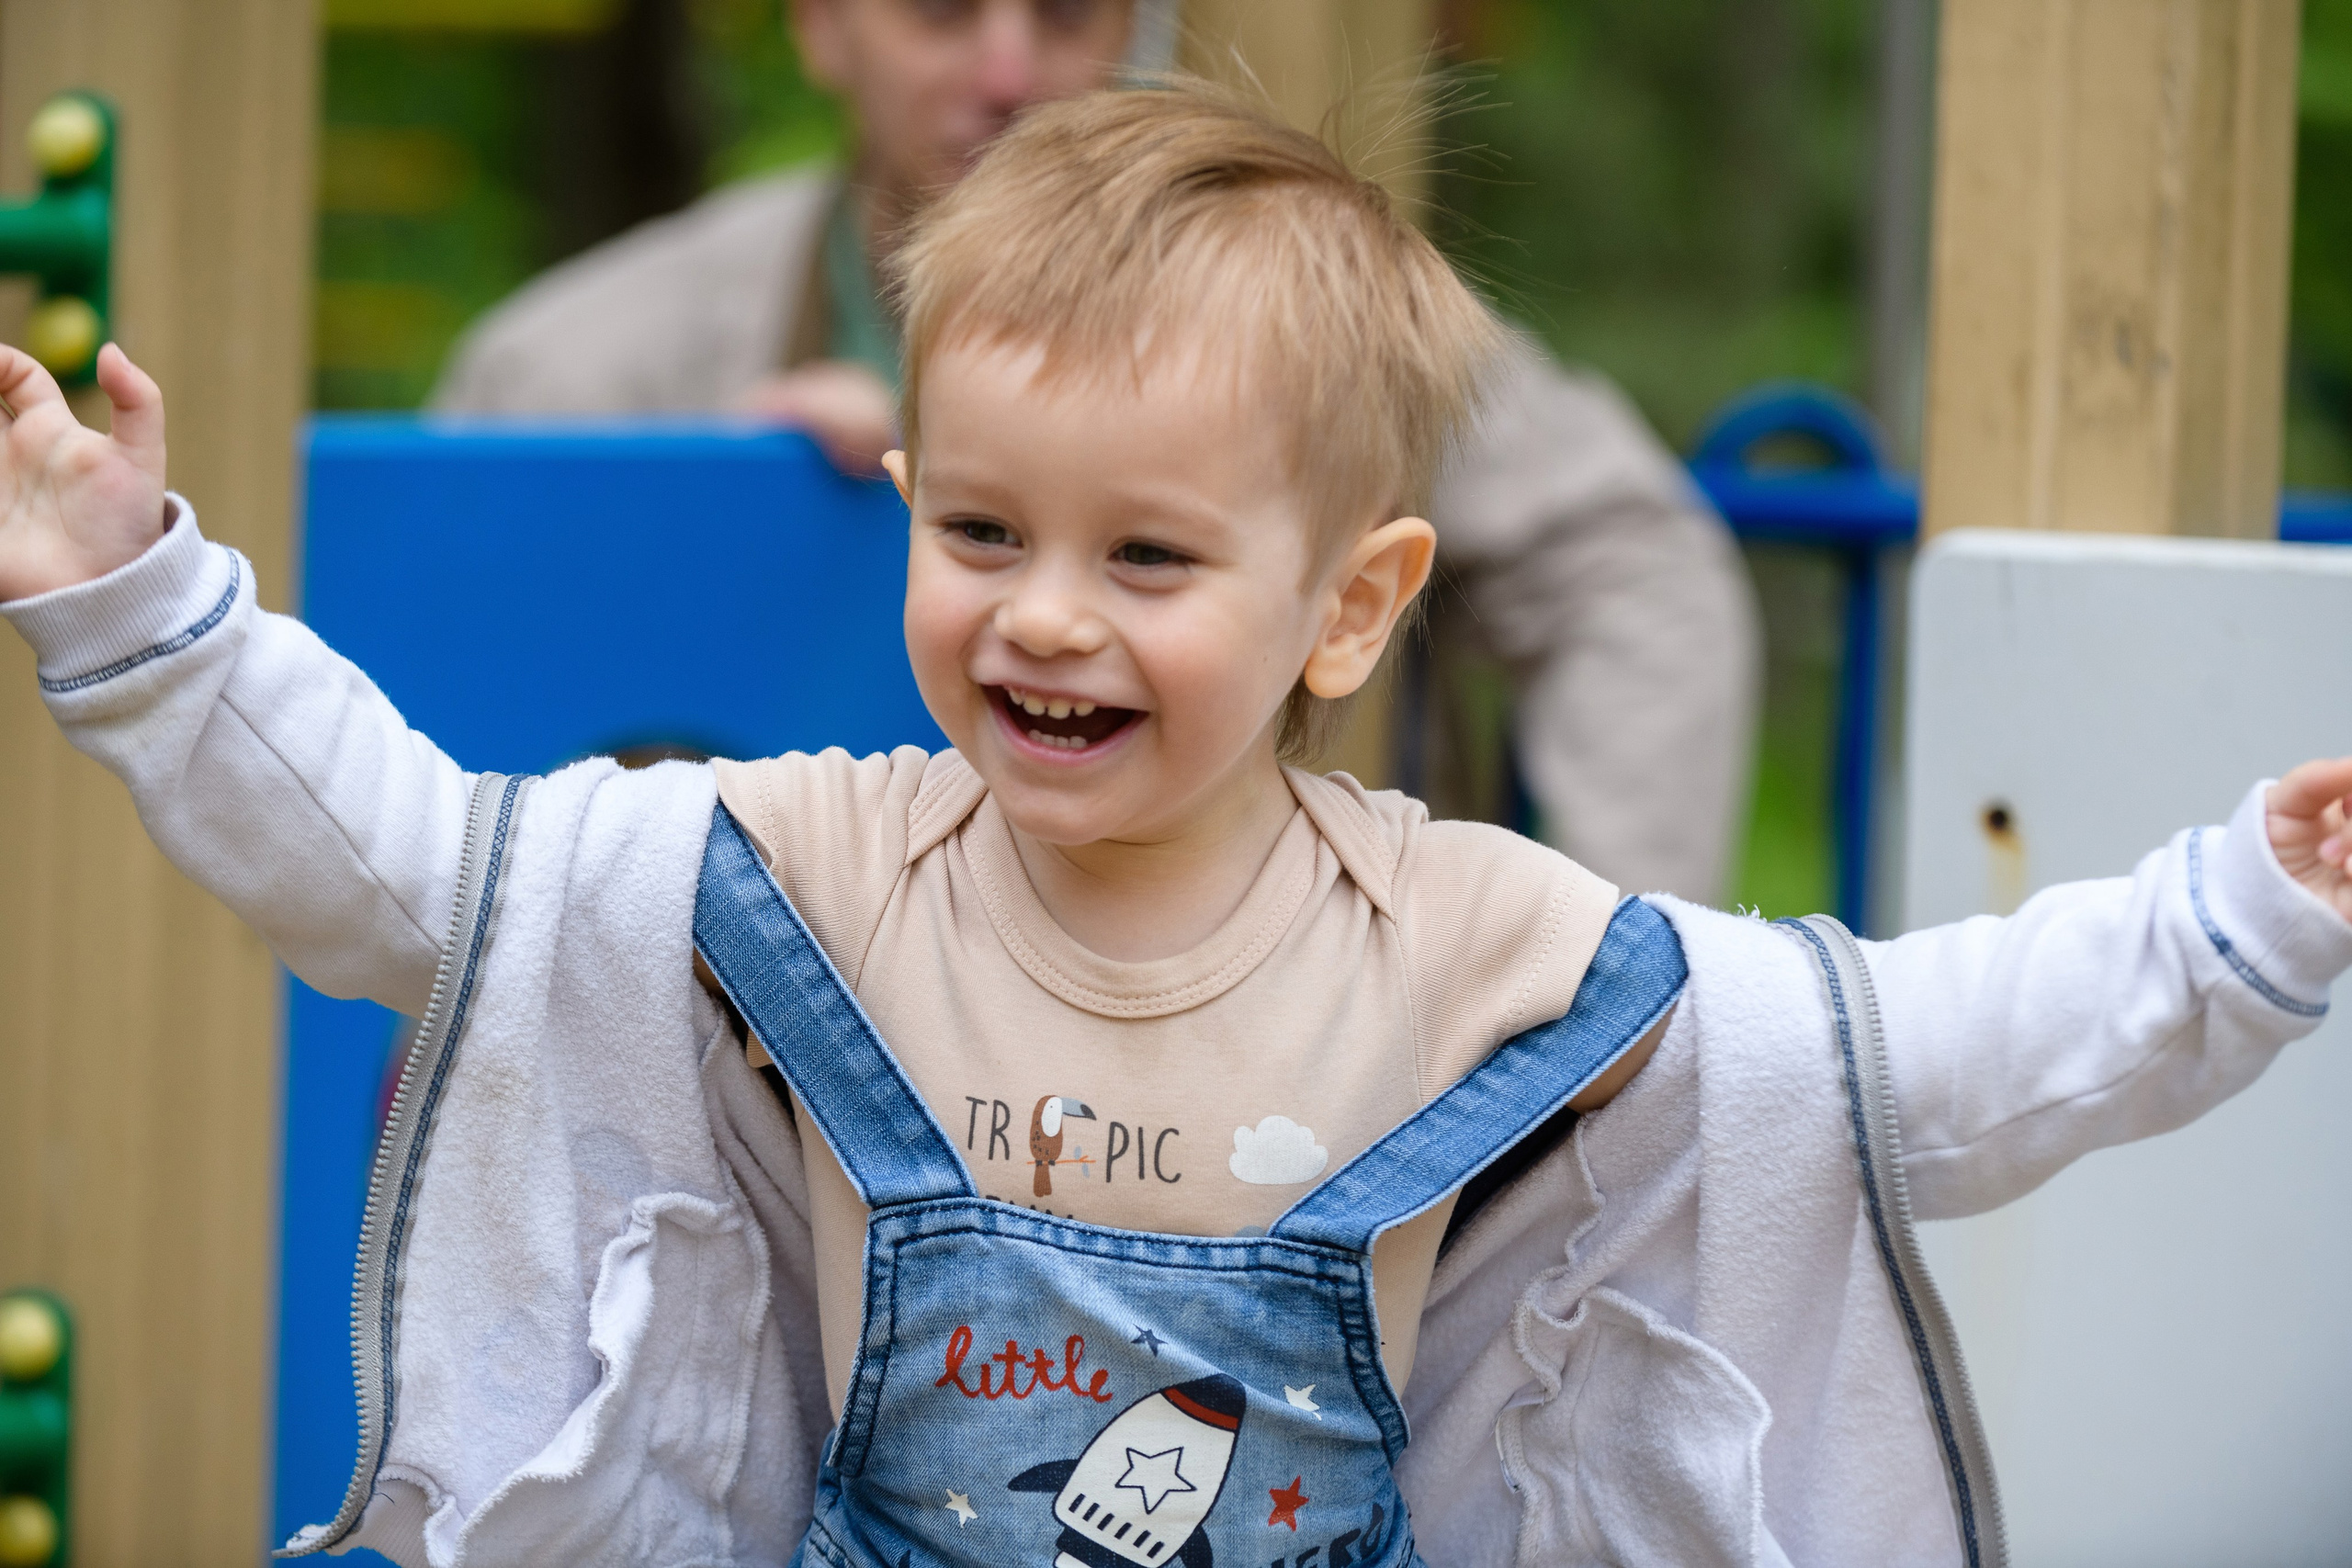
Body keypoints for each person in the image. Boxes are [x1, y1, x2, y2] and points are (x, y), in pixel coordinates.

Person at [5, 83, 2346, 1568]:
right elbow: (416, 873)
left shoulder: (1467, 944)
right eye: (986, 533)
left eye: (1146, 561)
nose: (1047, 620)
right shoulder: (808, 867)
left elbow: (1900, 1062)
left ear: (1350, 604)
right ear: (910, 506)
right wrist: (149, 599)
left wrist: (2242, 907)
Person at [431, 0, 1758, 904]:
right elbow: (466, 772)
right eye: (944, 9)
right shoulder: (573, 367)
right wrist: (707, 536)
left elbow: (1637, 568)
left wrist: (1591, 973)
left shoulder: (1297, 328)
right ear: (821, 24)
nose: (1008, 67)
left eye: (1069, 10)